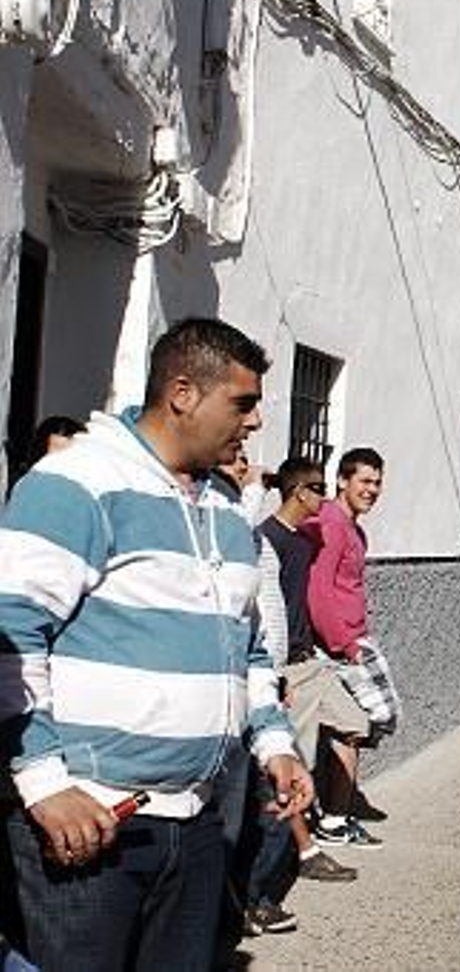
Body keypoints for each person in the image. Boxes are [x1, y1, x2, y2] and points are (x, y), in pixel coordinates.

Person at [0, 318, 313, 969]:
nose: (254, 423)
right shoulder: (77, 484)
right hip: (90, 822)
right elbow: (11, 636)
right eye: (243, 402)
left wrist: (275, 743)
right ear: (182, 393)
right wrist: (43, 783)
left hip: (196, 826)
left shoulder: (227, 513)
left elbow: (247, 648)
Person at [254, 458, 364, 889]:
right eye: (318, 488)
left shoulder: (305, 539)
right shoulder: (268, 540)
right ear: (300, 492)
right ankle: (295, 855)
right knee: (289, 763)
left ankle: (330, 822)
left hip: (310, 660)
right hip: (285, 670)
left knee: (355, 724)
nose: (324, 497)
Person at [305, 447, 396, 849]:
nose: (372, 490)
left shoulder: (354, 528)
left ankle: (334, 814)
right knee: (353, 725)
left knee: (362, 725)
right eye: (365, 481)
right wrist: (344, 644)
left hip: (353, 641)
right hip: (335, 647)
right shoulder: (331, 522)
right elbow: (318, 590)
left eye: (377, 482)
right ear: (342, 480)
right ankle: (334, 820)